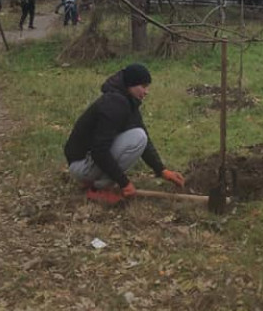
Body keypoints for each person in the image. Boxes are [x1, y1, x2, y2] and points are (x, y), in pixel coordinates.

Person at [64, 62, 185, 204]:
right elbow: (99, 151)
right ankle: (98, 189)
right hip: (81, 165)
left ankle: (93, 180)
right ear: (131, 84)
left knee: (140, 136)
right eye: (143, 86)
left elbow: (145, 140)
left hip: (86, 162)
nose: (146, 92)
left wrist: (162, 170)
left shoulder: (126, 100)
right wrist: (124, 183)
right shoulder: (114, 104)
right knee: (138, 137)